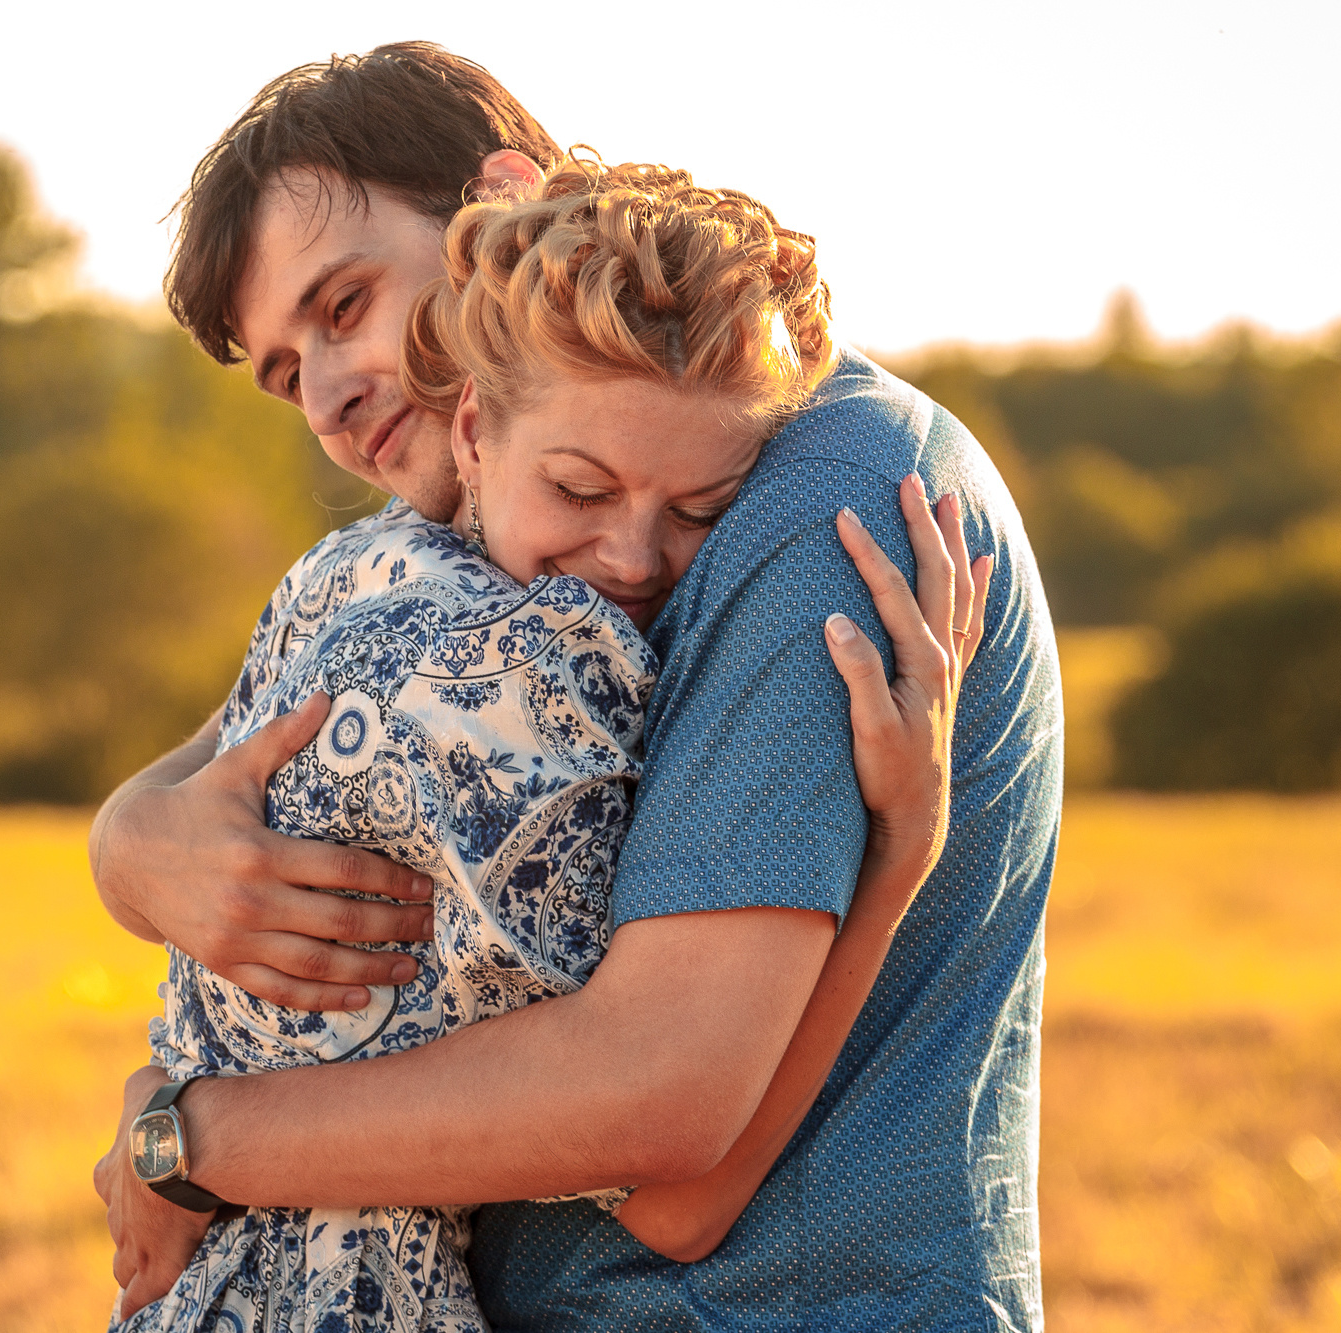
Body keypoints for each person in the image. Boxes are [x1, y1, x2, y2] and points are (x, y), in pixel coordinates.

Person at [94, 44, 1061, 1331]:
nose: (325, 394)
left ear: (504, 209)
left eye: (344, 306)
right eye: (286, 371)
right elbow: (222, 753)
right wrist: (130, 841)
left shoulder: (815, 493)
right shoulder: (460, 558)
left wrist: (192, 1135)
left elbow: (659, 1101)